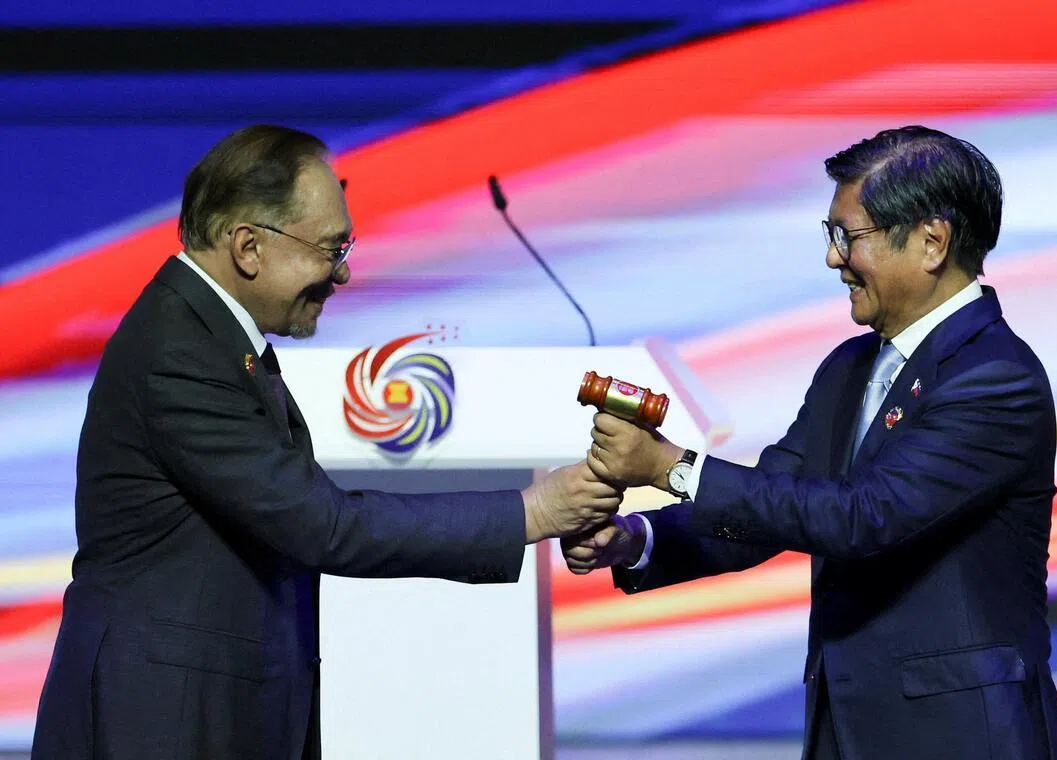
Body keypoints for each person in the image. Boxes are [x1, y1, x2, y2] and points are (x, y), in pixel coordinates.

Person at [32, 125, 621, 760]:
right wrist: (531, 512)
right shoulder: (179, 351)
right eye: (330, 248)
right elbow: (323, 525)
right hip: (161, 719)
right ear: (249, 246)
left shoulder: (211, 334)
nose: (342, 273)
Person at [563, 126, 1057, 760]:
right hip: (845, 732)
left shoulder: (994, 378)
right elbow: (776, 505)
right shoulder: (849, 367)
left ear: (932, 242)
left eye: (848, 237)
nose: (834, 259)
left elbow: (864, 517)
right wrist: (638, 542)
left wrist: (672, 467)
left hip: (960, 736)